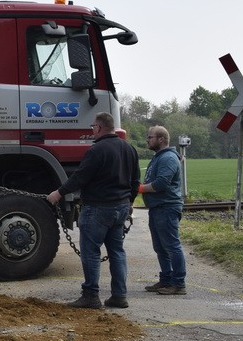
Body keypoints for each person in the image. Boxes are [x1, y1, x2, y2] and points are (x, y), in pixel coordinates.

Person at [47, 112, 139, 309]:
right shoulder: (129, 148)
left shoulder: (96, 150)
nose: (92, 131)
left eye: (92, 128)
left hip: (98, 208)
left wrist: (58, 193)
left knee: (91, 252)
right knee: (117, 252)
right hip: (121, 207)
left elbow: (81, 177)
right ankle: (119, 296)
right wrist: (129, 202)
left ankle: (90, 295)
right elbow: (135, 181)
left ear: (98, 127)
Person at [139, 125, 187, 295]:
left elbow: (161, 184)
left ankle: (178, 284)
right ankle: (166, 280)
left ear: (161, 139)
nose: (147, 140)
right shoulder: (159, 157)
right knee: (161, 247)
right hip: (158, 208)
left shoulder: (167, 158)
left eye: (150, 137)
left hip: (166, 207)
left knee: (172, 246)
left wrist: (139, 189)